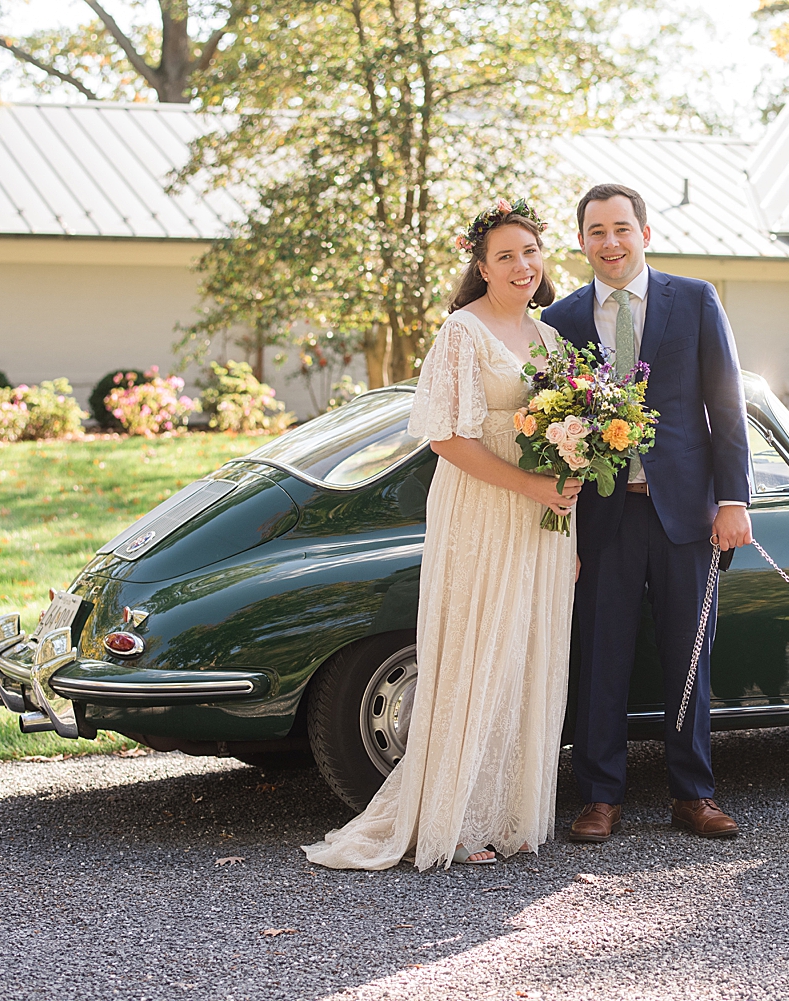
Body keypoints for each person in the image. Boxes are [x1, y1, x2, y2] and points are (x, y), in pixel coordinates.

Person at [303, 199, 580, 871]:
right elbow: (448, 439)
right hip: (484, 511)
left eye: (530, 252)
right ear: (481, 267)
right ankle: (454, 819)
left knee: (525, 655)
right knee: (478, 651)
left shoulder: (551, 340)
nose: (521, 265)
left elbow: (573, 436)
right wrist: (534, 488)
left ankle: (509, 814)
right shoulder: (463, 332)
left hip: (545, 522)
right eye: (505, 255)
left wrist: (572, 516)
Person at [541, 183, 752, 843]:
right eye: (597, 231)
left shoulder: (693, 299)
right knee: (601, 657)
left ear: (645, 232)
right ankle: (600, 796)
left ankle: (693, 793)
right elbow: (552, 426)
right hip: (604, 518)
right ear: (581, 241)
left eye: (621, 229)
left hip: (688, 514)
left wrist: (734, 498)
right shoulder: (562, 320)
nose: (611, 243)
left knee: (689, 657)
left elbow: (726, 400)